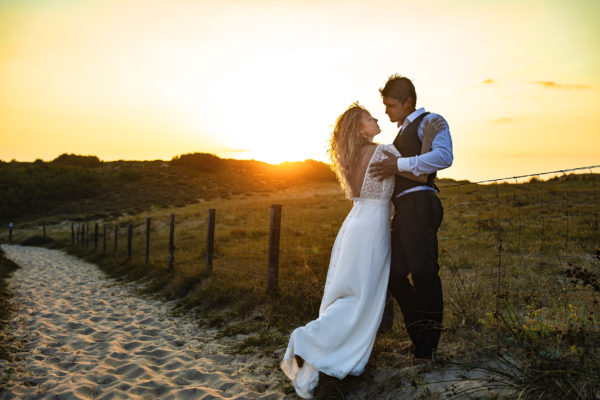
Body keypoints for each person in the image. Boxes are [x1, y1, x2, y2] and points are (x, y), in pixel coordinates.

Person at [280, 103, 444, 398]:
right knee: (361, 297)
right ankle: (305, 339)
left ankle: (323, 345)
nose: (376, 119)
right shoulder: (383, 151)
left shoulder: (350, 158)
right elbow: (420, 174)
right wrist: (429, 138)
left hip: (354, 225)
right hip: (372, 230)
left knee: (352, 293)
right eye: (370, 118)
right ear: (359, 127)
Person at [369, 74, 453, 359]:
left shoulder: (431, 122)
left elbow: (444, 157)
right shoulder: (403, 129)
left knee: (424, 274)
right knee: (392, 274)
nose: (386, 111)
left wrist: (398, 164)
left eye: (391, 105)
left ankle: (428, 346)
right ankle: (419, 336)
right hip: (403, 210)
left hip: (420, 203)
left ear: (408, 102)